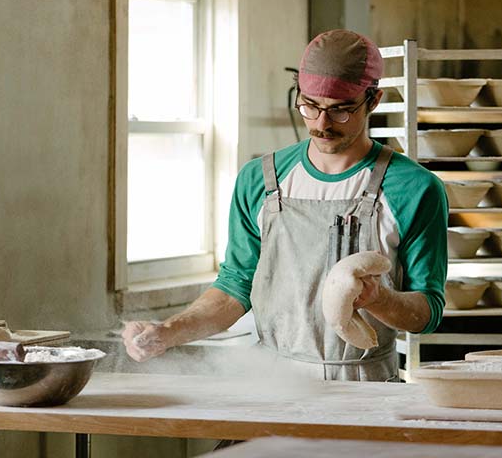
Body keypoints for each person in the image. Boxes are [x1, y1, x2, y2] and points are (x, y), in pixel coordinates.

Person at [122, 29, 447, 382]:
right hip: (271, 385)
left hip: (364, 387)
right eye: (310, 106)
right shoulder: (259, 180)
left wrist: (377, 297)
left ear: (374, 100)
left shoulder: (414, 189)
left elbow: (428, 313)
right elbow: (235, 287)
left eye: (340, 111)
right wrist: (167, 332)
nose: (321, 124)